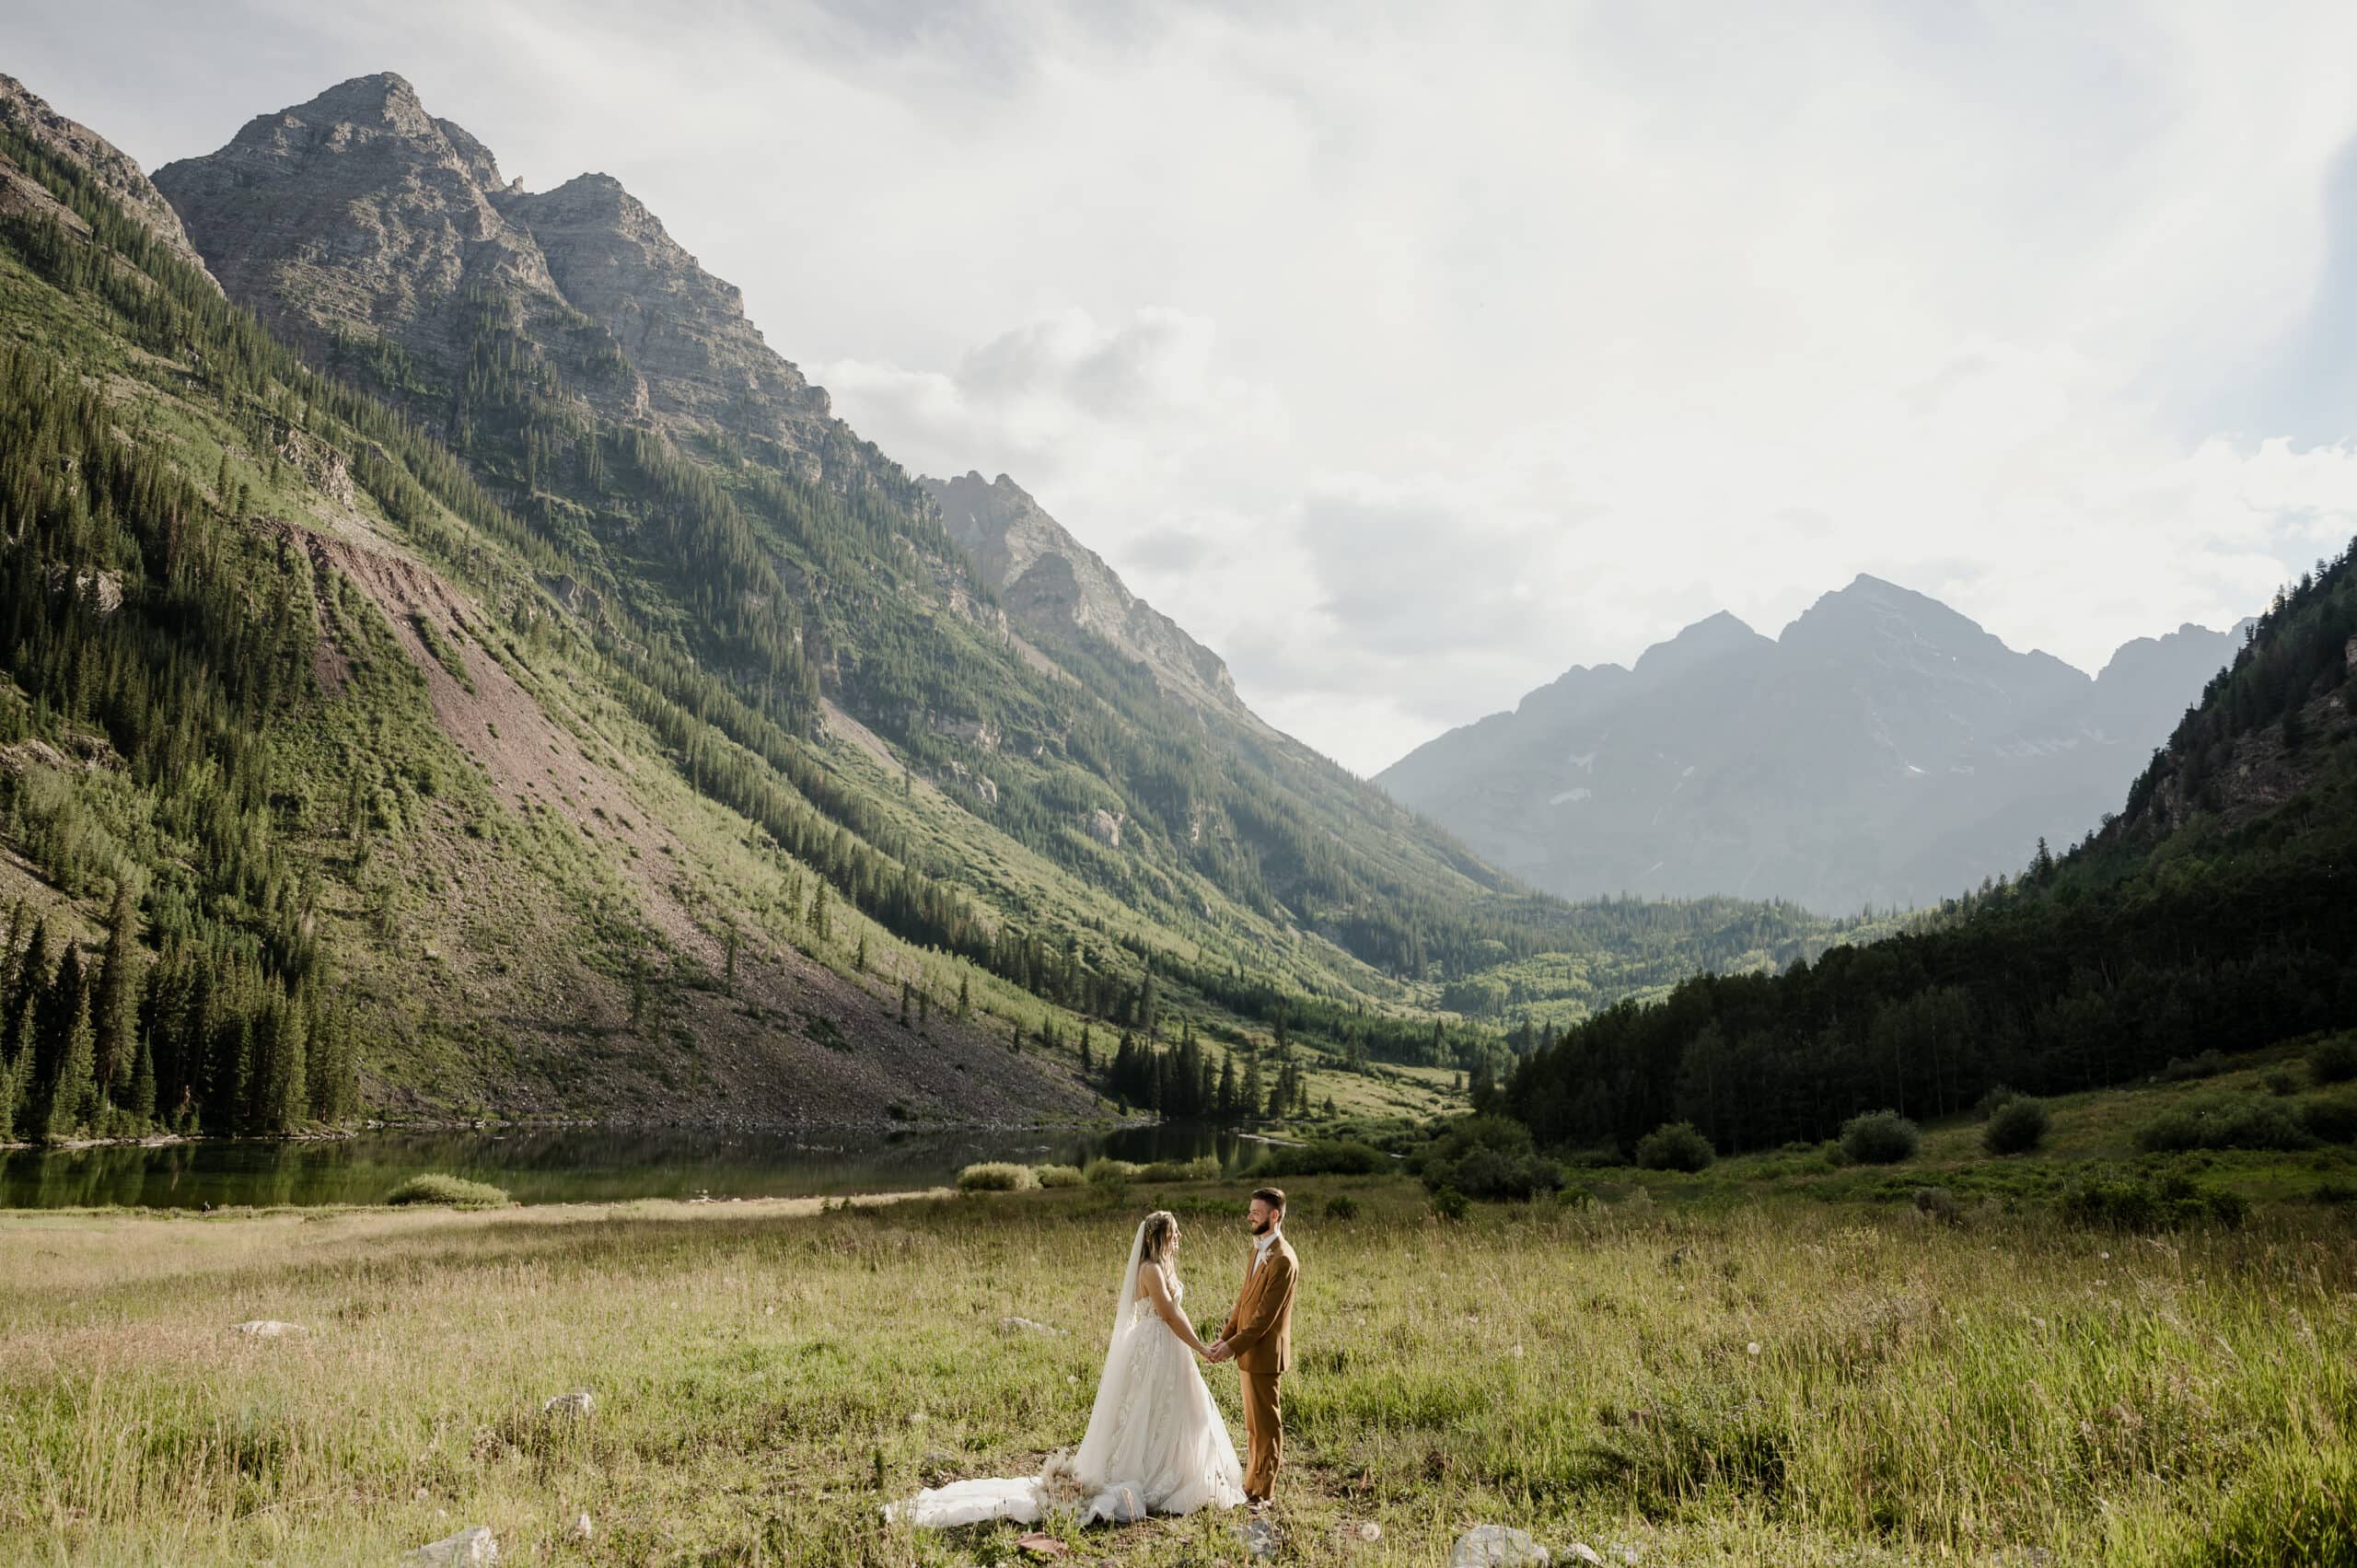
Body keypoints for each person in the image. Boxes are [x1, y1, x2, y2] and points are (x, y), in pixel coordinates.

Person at [884, 1209, 1247, 1528]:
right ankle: (1152, 1473)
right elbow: (1169, 1313)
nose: (1180, 1238)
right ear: (1160, 1236)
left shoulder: (1159, 1267)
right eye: (1175, 1233)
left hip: (1163, 1347)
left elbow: (1171, 1312)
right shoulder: (1150, 1269)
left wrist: (1198, 1344)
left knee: (1170, 1412)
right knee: (1148, 1412)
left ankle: (1174, 1467)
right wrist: (1200, 1346)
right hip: (1156, 1346)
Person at [1204, 1186, 1298, 1507]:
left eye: (1255, 1213)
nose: (1249, 1217)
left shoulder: (1283, 1260)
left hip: (1265, 1354)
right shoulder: (1259, 1250)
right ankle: (1250, 1485)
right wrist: (1226, 1335)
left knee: (1268, 1427)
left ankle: (1266, 1493)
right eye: (1250, 1211)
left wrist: (1231, 1347)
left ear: (1274, 1216)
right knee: (1252, 1427)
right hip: (1247, 1351)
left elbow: (1264, 1319)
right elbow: (1243, 1301)